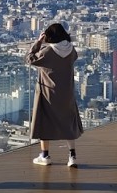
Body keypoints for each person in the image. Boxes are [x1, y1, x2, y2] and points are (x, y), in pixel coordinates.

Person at [28, 23, 83, 167]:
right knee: (68, 123)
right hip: (67, 92)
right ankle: (72, 156)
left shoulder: (48, 52)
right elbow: (74, 58)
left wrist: (38, 42)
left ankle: (45, 155)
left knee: (44, 121)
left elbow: (30, 59)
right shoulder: (71, 50)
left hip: (48, 92)